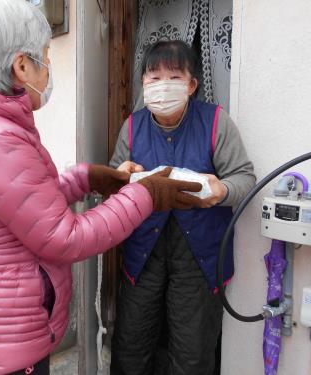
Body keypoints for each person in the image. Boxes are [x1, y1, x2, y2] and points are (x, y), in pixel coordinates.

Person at [0, 2, 204, 374]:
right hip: (7, 340)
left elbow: (28, 206)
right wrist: (145, 194)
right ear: (21, 66)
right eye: (45, 57)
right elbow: (64, 237)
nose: (48, 68)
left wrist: (86, 179)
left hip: (0, 329)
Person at [109, 40, 256, 375]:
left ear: (191, 85)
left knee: (192, 351)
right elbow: (114, 180)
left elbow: (244, 178)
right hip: (143, 250)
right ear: (143, 83)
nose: (162, 85)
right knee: (131, 342)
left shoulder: (216, 122)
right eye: (153, 76)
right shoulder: (132, 126)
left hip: (199, 253)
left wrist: (222, 190)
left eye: (173, 76)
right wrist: (119, 177)